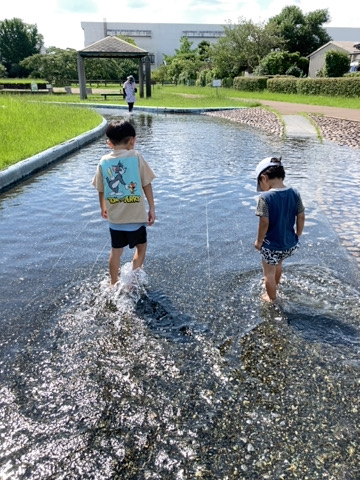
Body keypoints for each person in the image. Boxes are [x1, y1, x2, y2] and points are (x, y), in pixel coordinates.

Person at [92, 120, 156, 286]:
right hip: (136, 218)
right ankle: (131, 281)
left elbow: (101, 188)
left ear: (109, 143)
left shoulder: (103, 161)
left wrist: (103, 207)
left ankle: (114, 284)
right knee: (141, 247)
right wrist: (152, 208)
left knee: (115, 252)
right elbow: (146, 183)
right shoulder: (136, 156)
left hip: (116, 220)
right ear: (132, 140)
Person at [254, 157, 305, 302]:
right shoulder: (295, 193)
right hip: (290, 245)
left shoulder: (265, 198)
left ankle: (272, 300)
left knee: (268, 273)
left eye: (260, 184)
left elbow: (264, 221)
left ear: (264, 178)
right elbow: (300, 216)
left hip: (272, 246)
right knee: (278, 264)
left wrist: (259, 241)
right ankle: (275, 286)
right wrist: (298, 234)